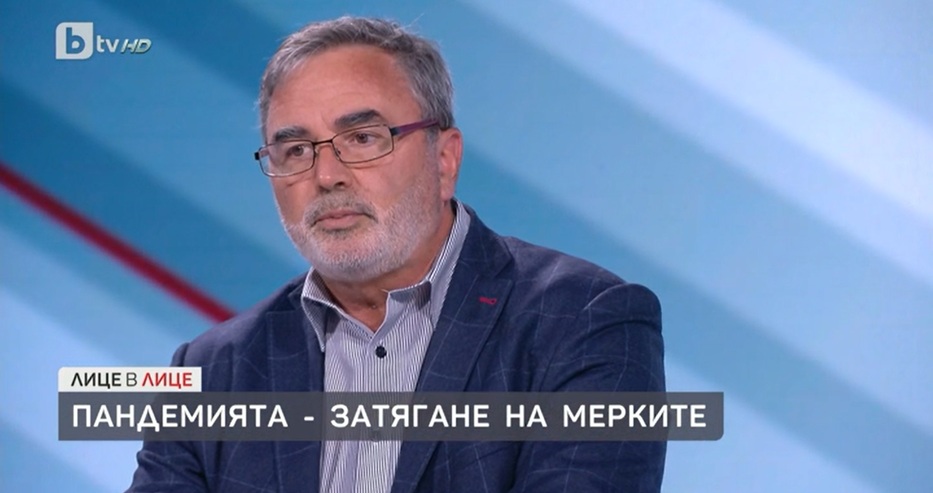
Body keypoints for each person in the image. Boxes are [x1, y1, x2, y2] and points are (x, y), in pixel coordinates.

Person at [128, 16, 665, 493]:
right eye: (295, 151)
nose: (326, 175)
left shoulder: (585, 322)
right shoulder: (212, 373)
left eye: (363, 138)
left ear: (444, 159)